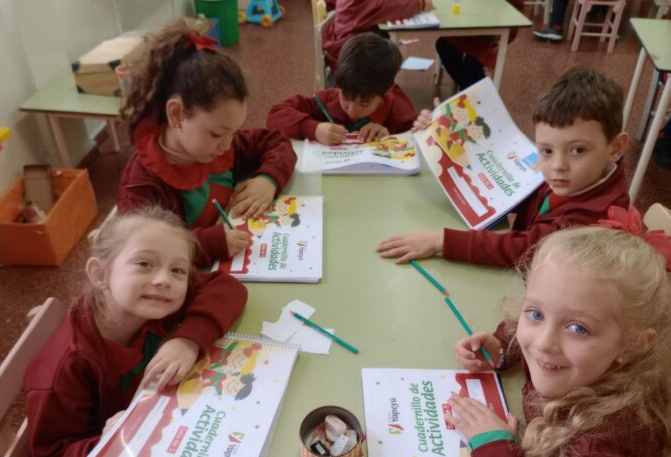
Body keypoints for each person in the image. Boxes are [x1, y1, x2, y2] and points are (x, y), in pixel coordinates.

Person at [24, 207, 248, 457]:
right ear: (100, 274)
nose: (163, 280)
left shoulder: (150, 302)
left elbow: (227, 287)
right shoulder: (66, 368)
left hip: (159, 436)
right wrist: (104, 442)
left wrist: (187, 340)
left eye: (178, 270)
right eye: (144, 264)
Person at [447, 221, 671, 457]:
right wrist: (500, 349)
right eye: (536, 313)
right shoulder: (580, 360)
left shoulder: (609, 448)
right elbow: (523, 327)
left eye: (578, 328)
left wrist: (493, 446)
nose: (543, 343)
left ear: (633, 344)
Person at [377, 67, 630, 267]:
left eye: (578, 150)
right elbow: (521, 191)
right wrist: (437, 129)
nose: (557, 166)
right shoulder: (578, 179)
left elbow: (527, 248)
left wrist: (442, 241)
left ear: (615, 148)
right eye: (546, 150)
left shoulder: (593, 222)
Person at [117, 18, 296, 267]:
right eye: (216, 134)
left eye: (233, 133)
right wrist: (209, 243)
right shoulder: (141, 187)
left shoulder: (218, 145)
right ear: (176, 114)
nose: (227, 145)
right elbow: (145, 254)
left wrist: (268, 180)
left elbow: (277, 141)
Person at [267, 33, 416, 145]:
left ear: (385, 92)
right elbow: (275, 116)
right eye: (345, 97)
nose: (351, 111)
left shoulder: (397, 108)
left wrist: (391, 139)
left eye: (364, 104)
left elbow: (417, 141)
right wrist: (314, 129)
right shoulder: (327, 99)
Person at [322, 0, 434, 74]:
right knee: (390, 52)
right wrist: (421, 3)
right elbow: (393, 6)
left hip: (342, 43)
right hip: (352, 55)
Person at [435, 0, 524, 90]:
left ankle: (474, 90)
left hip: (494, 30)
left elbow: (515, 10)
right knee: (443, 44)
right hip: (472, 23)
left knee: (473, 62)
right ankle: (471, 88)